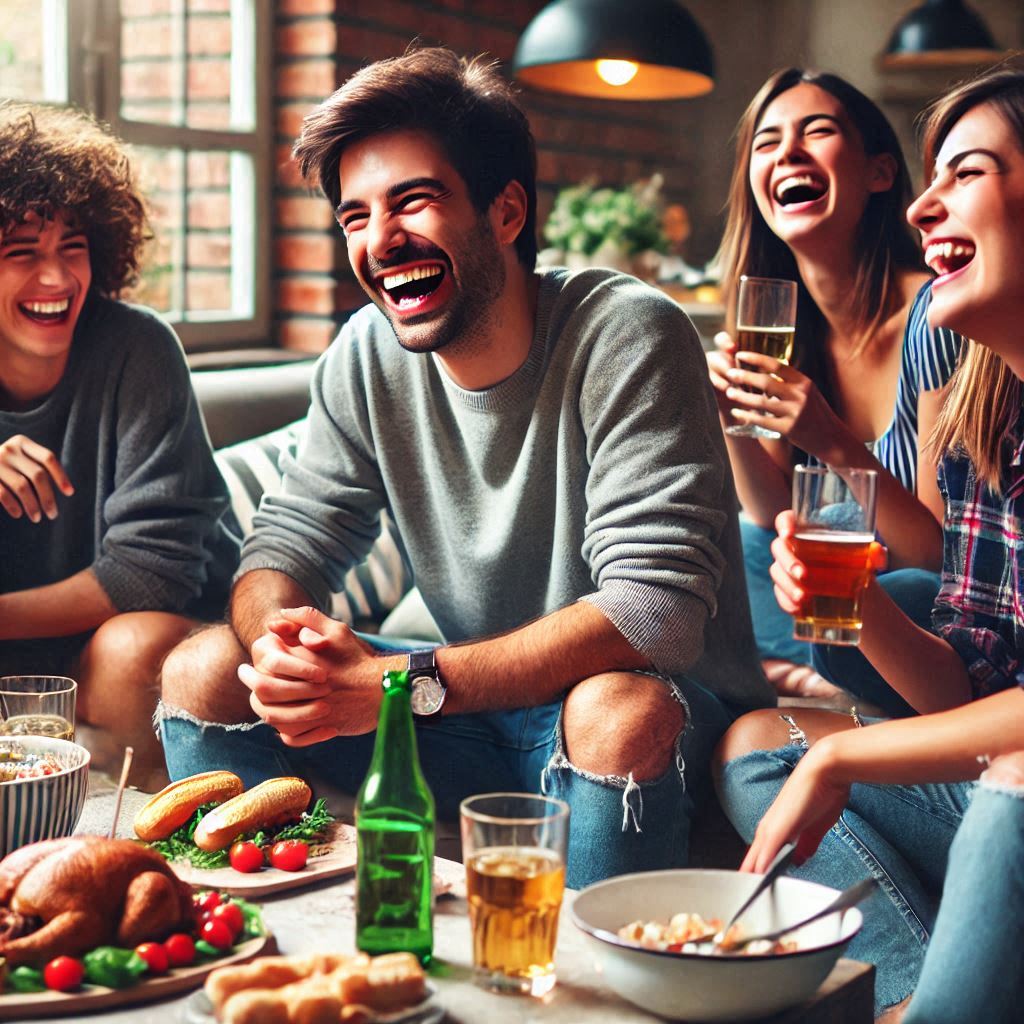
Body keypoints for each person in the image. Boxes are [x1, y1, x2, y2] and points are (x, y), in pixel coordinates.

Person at [157, 46, 773, 889]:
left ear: (507, 212)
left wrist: (393, 685)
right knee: (203, 667)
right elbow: (286, 544)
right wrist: (287, 652)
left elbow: (654, 617)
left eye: (414, 200)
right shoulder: (366, 354)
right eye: (354, 216)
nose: (381, 240)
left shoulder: (628, 333)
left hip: (650, 718)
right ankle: (269, 946)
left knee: (614, 709)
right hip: (466, 711)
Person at [715, 64, 1024, 1024]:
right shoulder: (990, 423)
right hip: (985, 741)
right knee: (755, 741)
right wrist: (856, 605)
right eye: (766, 139)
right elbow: (967, 693)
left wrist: (842, 759)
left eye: (963, 172)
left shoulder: (934, 335)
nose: (931, 206)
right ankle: (911, 990)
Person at [709, 69, 964, 712]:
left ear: (879, 172)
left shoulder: (936, 314)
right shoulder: (779, 324)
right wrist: (728, 418)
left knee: (903, 588)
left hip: (913, 599)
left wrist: (826, 436)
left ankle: (787, 673)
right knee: (726, 543)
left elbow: (935, 555)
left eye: (816, 131)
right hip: (829, 599)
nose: (787, 152)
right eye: (766, 143)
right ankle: (809, 679)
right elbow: (769, 515)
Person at [0, 102, 239, 789]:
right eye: (23, 253)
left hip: (138, 638)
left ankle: (146, 841)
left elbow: (149, 574)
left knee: (132, 649)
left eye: (71, 248)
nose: (56, 278)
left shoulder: (137, 347)